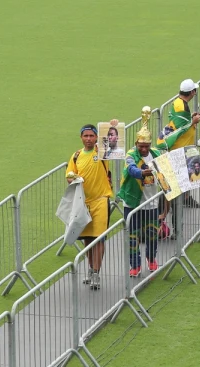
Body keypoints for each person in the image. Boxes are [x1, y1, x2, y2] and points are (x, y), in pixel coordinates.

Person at [66, 124, 114, 289]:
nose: (88, 139)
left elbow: (115, 142)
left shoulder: (101, 152)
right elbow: (69, 177)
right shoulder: (76, 156)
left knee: (98, 238)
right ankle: (90, 268)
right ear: (81, 137)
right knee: (87, 239)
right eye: (85, 136)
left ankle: (96, 273)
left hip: (101, 200)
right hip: (83, 203)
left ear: (96, 137)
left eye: (91, 136)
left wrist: (112, 126)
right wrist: (74, 179)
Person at [118, 122, 167, 277]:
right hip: (132, 203)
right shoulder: (131, 155)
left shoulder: (157, 155)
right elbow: (132, 169)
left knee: (152, 234)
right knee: (132, 236)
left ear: (150, 144)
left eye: (146, 146)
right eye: (141, 146)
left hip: (151, 203)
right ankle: (135, 264)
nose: (144, 149)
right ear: (136, 144)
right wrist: (142, 173)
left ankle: (151, 258)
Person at [159, 79, 200, 208]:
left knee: (188, 175)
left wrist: (190, 118)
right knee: (174, 179)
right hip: (179, 148)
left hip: (185, 146)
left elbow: (181, 123)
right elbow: (179, 128)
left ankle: (185, 199)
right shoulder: (181, 107)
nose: (195, 93)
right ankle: (164, 205)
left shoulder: (181, 104)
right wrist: (193, 121)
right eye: (195, 91)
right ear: (192, 92)